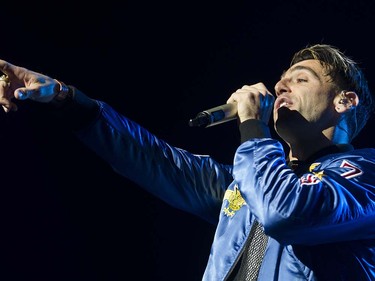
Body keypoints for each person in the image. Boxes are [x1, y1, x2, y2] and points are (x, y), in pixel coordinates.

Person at [1, 43, 375, 281]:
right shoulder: (246, 185)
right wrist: (67, 100)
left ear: (344, 102)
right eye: (280, 81)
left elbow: (285, 210)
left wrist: (251, 127)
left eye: (300, 79)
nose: (279, 87)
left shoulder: (365, 180)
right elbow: (154, 159)